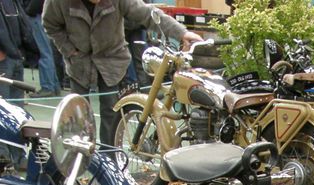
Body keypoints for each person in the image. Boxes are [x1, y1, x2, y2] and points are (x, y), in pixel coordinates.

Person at [42, 0, 201, 148]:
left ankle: (110, 160)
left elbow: (148, 14)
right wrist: (69, 50)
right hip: (79, 63)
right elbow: (50, 24)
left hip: (112, 60)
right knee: (77, 114)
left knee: (111, 114)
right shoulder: (58, 2)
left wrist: (182, 33)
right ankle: (78, 158)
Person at [24, 0, 61, 96]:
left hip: (37, 15)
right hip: (44, 14)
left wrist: (29, 10)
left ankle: (48, 87)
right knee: (48, 52)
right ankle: (54, 86)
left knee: (44, 53)